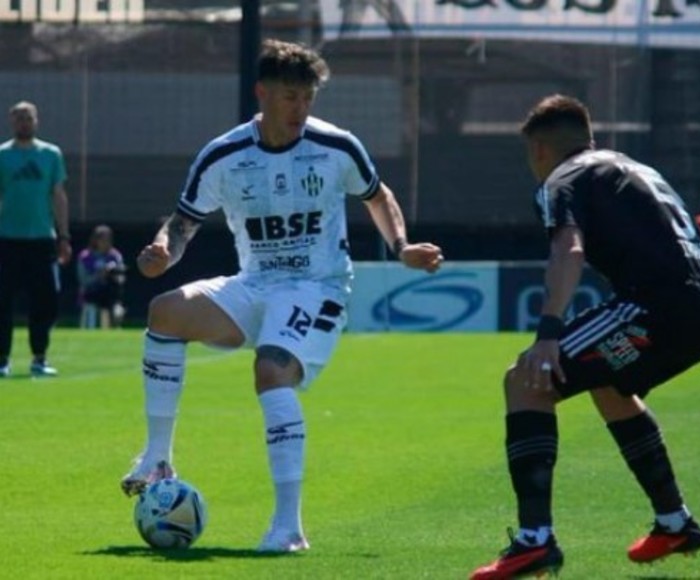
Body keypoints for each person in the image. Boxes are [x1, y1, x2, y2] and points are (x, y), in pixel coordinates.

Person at [119, 39, 443, 552]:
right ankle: (159, 455)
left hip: (319, 287)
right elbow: (184, 223)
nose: (301, 108)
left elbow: (377, 195)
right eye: (291, 96)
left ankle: (288, 527)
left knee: (270, 370)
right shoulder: (224, 155)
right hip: (255, 285)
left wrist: (401, 246)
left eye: (309, 97)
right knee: (165, 313)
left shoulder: (336, 146)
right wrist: (163, 248)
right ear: (263, 93)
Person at [469, 95, 700, 579]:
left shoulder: (563, 178)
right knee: (610, 383)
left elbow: (568, 248)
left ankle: (535, 540)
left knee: (526, 380)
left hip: (660, 305)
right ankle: (674, 522)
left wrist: (548, 334)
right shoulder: (637, 171)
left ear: (537, 148)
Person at [0, 101, 71, 378]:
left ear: (36, 120)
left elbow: (58, 195)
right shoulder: (2, 155)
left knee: (45, 301)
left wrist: (63, 235)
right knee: (3, 301)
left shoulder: (51, 154)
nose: (23, 122)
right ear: (11, 121)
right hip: (7, 240)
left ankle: (39, 358)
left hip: (42, 239)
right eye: (18, 118)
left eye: (27, 117)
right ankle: (2, 359)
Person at [77, 224, 126, 328]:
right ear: (95, 240)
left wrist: (111, 273)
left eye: (108, 239)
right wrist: (99, 275)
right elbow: (83, 280)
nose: (106, 242)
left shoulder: (115, 256)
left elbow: (121, 278)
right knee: (93, 296)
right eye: (102, 239)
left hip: (110, 293)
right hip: (91, 293)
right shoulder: (85, 257)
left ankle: (115, 322)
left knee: (115, 299)